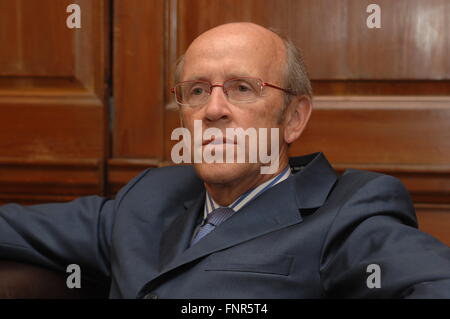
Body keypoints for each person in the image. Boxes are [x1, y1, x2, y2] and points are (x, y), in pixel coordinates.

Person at [1, 22, 450, 299]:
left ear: (293, 118)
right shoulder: (148, 198)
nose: (213, 110)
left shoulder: (349, 211)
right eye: (197, 91)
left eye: (241, 88)